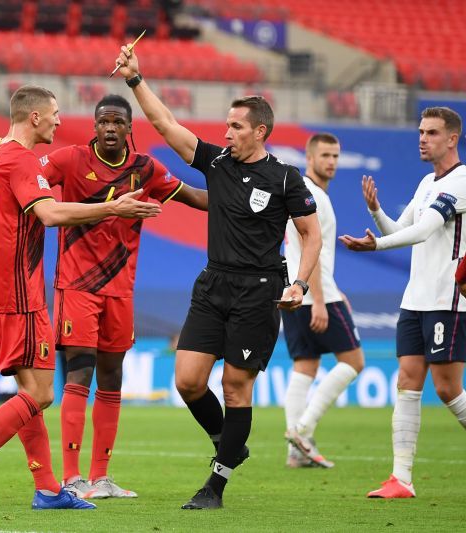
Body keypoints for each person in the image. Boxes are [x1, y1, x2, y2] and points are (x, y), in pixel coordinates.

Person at [114, 47, 322, 510]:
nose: (226, 133)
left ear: (260, 131)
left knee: (235, 387)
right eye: (226, 125)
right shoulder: (218, 163)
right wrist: (135, 80)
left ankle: (215, 486)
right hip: (213, 285)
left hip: (260, 291)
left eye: (236, 127)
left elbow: (311, 237)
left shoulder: (285, 178)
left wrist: (301, 285)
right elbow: (168, 126)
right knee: (187, 380)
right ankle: (228, 440)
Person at [0, 85, 161, 511]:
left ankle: (47, 489)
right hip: (17, 293)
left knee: (29, 391)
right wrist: (113, 208)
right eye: (55, 113)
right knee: (40, 394)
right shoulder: (22, 161)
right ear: (35, 117)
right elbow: (51, 213)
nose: (60, 121)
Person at [40, 94, 209, 499]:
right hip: (77, 285)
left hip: (120, 290)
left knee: (113, 378)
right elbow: (25, 176)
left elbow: (197, 198)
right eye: (104, 122)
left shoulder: (145, 169)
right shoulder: (69, 160)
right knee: (79, 374)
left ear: (130, 128)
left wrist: (249, 195)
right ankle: (71, 478)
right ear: (95, 127)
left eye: (118, 121)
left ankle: (100, 478)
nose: (111, 128)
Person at [340, 106, 466, 498]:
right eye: (420, 131)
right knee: (407, 382)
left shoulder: (461, 181)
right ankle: (401, 479)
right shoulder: (426, 181)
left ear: (452, 139)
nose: (422, 138)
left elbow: (425, 231)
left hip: (447, 299)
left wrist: (376, 245)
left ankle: (402, 478)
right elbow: (402, 229)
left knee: (446, 389)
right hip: (415, 299)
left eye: (431, 132)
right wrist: (376, 211)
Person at [282, 133, 364, 468]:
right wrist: (319, 298)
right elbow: (308, 250)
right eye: (325, 155)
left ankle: (294, 451)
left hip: (293, 292)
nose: (331, 161)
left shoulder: (303, 192)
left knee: (305, 366)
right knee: (354, 362)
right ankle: (302, 430)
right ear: (309, 156)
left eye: (335, 155)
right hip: (314, 294)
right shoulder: (311, 195)